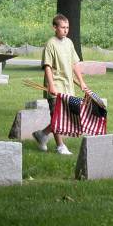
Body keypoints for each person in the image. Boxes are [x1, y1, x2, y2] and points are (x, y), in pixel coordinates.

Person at [32, 14, 89, 155]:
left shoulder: (69, 43)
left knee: (66, 115)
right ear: (55, 27)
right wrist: (51, 85)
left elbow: (74, 64)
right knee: (57, 116)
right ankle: (60, 146)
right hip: (56, 85)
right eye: (63, 27)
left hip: (68, 86)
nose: (66, 30)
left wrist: (81, 82)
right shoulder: (50, 44)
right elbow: (47, 67)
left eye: (67, 27)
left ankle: (42, 134)